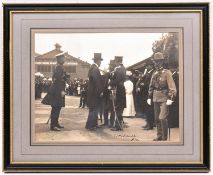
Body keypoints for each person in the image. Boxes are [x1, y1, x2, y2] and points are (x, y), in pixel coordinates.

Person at [147, 52, 177, 141]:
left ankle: (164, 138)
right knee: (156, 118)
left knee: (162, 117)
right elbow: (151, 86)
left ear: (162, 62)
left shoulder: (167, 73)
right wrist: (149, 96)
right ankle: (159, 135)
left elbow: (172, 86)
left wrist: (171, 98)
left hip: (164, 98)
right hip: (155, 97)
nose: (157, 63)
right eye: (156, 61)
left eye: (159, 61)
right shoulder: (154, 73)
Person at [41, 52, 70, 131]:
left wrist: (65, 77)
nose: (64, 60)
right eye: (63, 58)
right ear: (59, 59)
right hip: (57, 90)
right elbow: (58, 80)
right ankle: (53, 126)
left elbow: (61, 78)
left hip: (58, 90)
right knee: (56, 108)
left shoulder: (59, 67)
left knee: (58, 107)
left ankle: (56, 123)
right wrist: (62, 90)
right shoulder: (58, 67)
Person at [85, 53, 104, 131]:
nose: (101, 63)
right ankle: (90, 125)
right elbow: (97, 81)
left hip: (92, 92)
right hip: (94, 93)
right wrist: (100, 91)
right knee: (94, 109)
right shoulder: (95, 69)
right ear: (98, 61)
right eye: (100, 61)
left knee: (94, 109)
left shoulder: (93, 68)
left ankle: (94, 124)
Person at [110, 56, 126, 131]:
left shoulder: (118, 69)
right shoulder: (123, 68)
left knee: (118, 108)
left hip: (118, 90)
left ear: (117, 61)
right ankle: (119, 124)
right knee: (120, 108)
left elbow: (116, 80)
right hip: (121, 90)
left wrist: (111, 81)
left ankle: (118, 126)